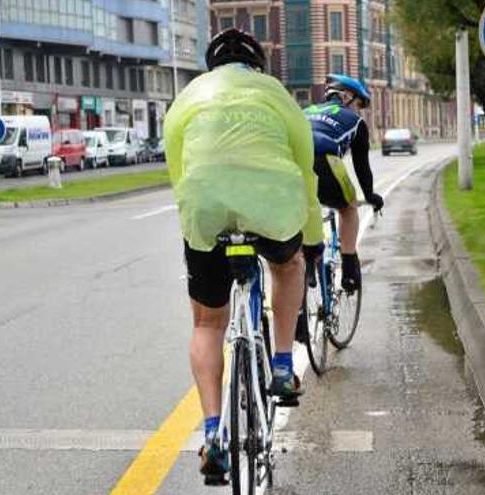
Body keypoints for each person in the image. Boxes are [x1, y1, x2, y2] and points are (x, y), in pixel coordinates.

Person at [163, 28, 323, 484]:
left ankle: (213, 433)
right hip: (271, 205)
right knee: (286, 265)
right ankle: (279, 366)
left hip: (207, 213)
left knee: (207, 322)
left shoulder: (188, 97)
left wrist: (196, 230)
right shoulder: (277, 95)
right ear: (259, 66)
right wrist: (311, 242)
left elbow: (180, 176)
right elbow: (306, 173)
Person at [303, 74, 384, 292]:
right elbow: (361, 167)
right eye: (359, 104)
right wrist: (369, 196)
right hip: (324, 158)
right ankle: (348, 269)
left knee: (301, 211)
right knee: (348, 209)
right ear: (347, 97)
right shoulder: (354, 120)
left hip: (293, 162)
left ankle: (307, 261)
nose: (359, 110)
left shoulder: (305, 112)